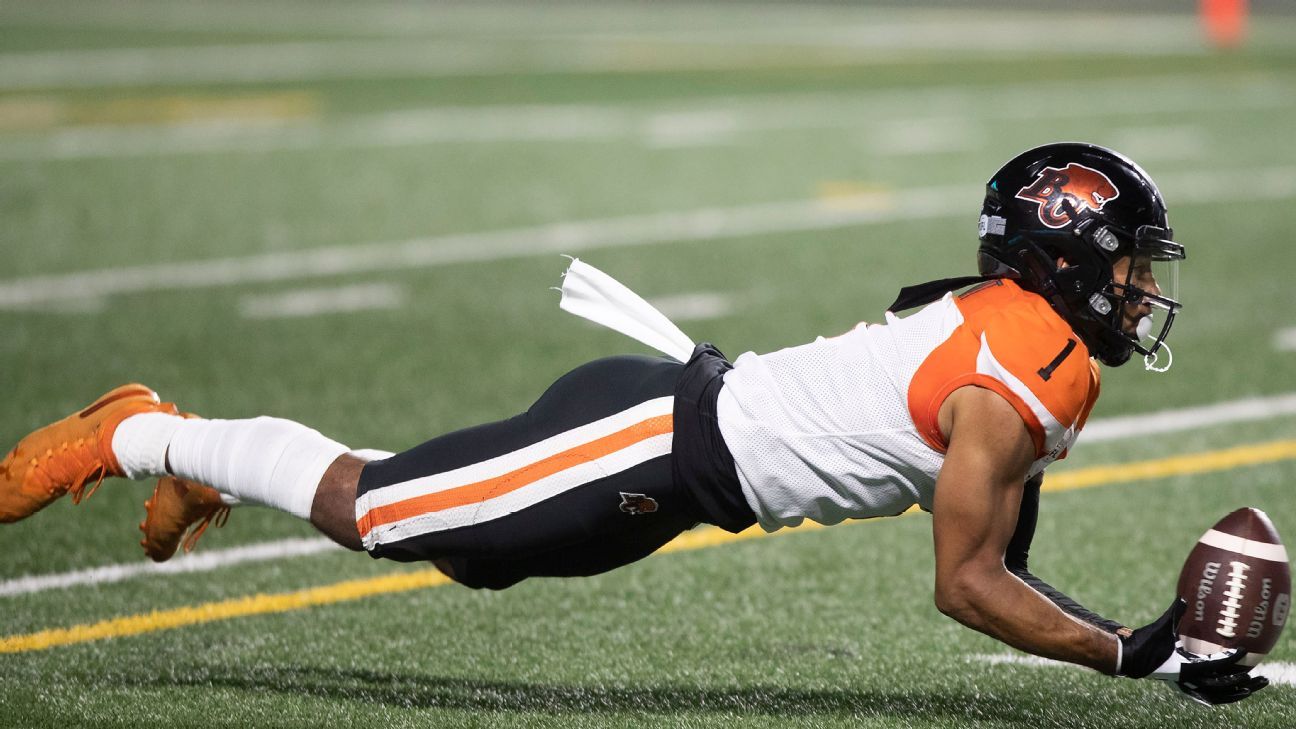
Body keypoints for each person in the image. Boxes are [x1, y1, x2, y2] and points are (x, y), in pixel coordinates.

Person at [0, 143, 1268, 705]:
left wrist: (1148, 650)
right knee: (383, 514)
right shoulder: (1024, 362)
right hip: (653, 438)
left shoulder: (1035, 349)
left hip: (675, 467)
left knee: (467, 551)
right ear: (1064, 257)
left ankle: (213, 464)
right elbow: (968, 584)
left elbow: (1001, 555)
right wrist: (1132, 656)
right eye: (1128, 265)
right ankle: (143, 433)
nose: (1141, 291)